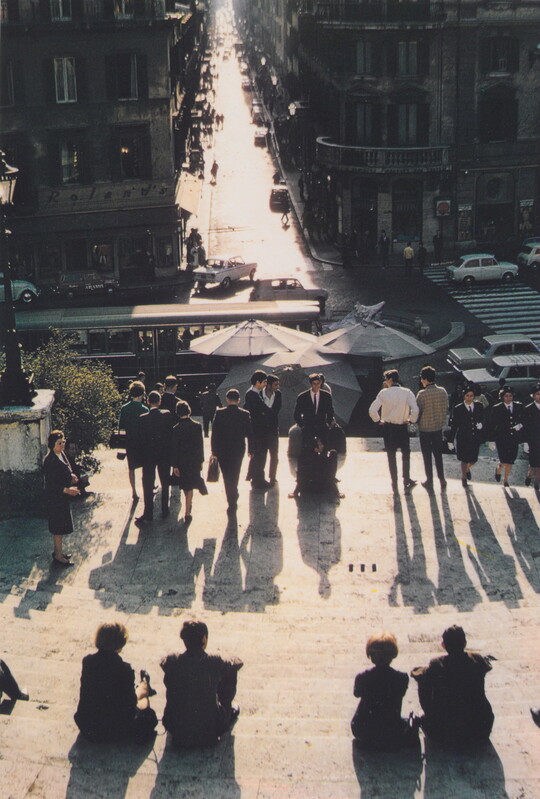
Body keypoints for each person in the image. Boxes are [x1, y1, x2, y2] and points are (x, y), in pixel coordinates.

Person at [160, 620, 243, 748]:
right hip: (209, 732)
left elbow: (163, 663)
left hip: (176, 729)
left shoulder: (172, 660)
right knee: (229, 673)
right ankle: (226, 709)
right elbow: (237, 663)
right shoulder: (214, 661)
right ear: (204, 639)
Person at [411, 625, 494, 749]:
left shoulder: (436, 664)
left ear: (443, 645)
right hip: (480, 731)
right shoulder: (477, 659)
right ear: (465, 643)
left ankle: (429, 717)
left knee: (423, 681)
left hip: (444, 734)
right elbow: (486, 666)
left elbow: (420, 675)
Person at [74, 622, 157, 744]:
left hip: (87, 726)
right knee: (148, 713)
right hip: (115, 729)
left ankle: (143, 686)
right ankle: (144, 686)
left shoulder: (88, 662)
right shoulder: (124, 669)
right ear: (120, 644)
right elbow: (131, 702)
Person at [351, 632, 415, 751]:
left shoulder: (362, 677)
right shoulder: (401, 678)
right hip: (391, 731)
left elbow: (356, 693)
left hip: (363, 730)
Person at [369, 370, 419, 493]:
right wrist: (411, 420)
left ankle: (394, 481)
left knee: (391, 455)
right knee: (405, 453)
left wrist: (378, 421)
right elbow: (415, 409)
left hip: (389, 428)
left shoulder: (384, 393)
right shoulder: (407, 392)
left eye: (386, 379)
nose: (385, 382)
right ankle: (406, 478)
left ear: (390, 380)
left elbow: (372, 410)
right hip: (402, 427)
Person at [211, 388, 253, 517]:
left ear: (227, 400)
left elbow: (215, 434)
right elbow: (250, 434)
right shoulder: (245, 414)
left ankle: (232, 499)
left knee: (226, 475)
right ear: (239, 400)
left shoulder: (219, 413)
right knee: (235, 473)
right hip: (238, 449)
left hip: (222, 449)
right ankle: (233, 494)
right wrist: (251, 449)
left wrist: (214, 452)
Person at [43, 430, 80, 566]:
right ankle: (58, 555)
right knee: (57, 527)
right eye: (59, 443)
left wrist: (71, 476)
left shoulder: (61, 454)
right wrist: (68, 491)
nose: (62, 445)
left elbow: (66, 468)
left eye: (63, 442)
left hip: (62, 498)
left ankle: (58, 551)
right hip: (55, 498)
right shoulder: (49, 460)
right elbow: (51, 484)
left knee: (61, 525)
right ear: (52, 444)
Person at [136, 390, 174, 522]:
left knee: (147, 483)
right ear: (160, 402)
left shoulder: (142, 418)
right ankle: (165, 509)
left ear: (148, 402)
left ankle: (148, 512)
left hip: (148, 455)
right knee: (165, 482)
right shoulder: (167, 415)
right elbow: (170, 436)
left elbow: (141, 440)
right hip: (164, 454)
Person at [171, 401, 206, 524]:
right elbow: (200, 445)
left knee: (185, 485)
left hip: (181, 461)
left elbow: (174, 448)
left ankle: (187, 505)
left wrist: (174, 465)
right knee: (190, 485)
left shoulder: (176, 429)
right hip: (194, 460)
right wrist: (201, 460)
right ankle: (187, 512)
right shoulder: (197, 426)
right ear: (189, 410)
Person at [416, 366, 448, 491]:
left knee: (427, 455)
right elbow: (445, 408)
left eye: (421, 378)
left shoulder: (421, 394)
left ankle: (429, 480)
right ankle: (442, 479)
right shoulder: (443, 391)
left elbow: (417, 412)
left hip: (425, 429)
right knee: (438, 455)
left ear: (425, 379)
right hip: (438, 428)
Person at [487, 385, 523, 486]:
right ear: (502, 397)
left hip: (514, 438)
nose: (508, 398)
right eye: (506, 396)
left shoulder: (519, 406)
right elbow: (491, 424)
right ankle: (499, 468)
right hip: (502, 438)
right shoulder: (497, 408)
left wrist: (520, 425)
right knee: (504, 460)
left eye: (510, 396)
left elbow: (524, 419)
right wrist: (491, 440)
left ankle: (506, 479)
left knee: (511, 460)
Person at [449, 385, 484, 487]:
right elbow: (454, 425)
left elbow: (482, 418)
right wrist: (450, 440)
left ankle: (467, 469)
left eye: (471, 396)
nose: (469, 398)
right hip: (463, 438)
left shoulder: (479, 406)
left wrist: (481, 424)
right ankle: (463, 477)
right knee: (464, 459)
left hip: (474, 437)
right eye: (467, 395)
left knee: (473, 459)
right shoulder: (458, 408)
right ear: (464, 396)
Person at [118, 381, 149, 501]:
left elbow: (121, 427)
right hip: (143, 443)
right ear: (142, 394)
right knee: (145, 468)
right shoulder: (144, 409)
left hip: (130, 442)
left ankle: (134, 491)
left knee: (131, 468)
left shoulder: (124, 408)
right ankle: (147, 489)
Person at [289, 437, 344, 502]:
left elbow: (301, 476)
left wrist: (295, 492)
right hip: (321, 488)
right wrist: (337, 493)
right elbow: (329, 476)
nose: (322, 446)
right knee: (333, 453)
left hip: (306, 489)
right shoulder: (321, 460)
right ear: (315, 449)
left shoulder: (304, 458)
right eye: (320, 445)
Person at [244, 370, 271, 490]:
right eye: (264, 382)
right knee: (259, 456)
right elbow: (261, 411)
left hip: (259, 430)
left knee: (259, 455)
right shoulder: (252, 395)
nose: (265, 384)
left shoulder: (256, 394)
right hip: (257, 431)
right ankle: (258, 480)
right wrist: (267, 413)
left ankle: (257, 478)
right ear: (258, 382)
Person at [294, 373, 335, 446]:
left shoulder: (326, 396)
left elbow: (330, 411)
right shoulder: (302, 397)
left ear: (321, 383)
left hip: (322, 427)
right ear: (310, 384)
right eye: (314, 384)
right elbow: (297, 414)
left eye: (318, 383)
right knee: (308, 449)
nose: (316, 386)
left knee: (324, 449)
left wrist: (327, 424)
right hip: (308, 428)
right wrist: (302, 426)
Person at [263, 374, 281, 486]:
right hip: (262, 430)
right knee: (262, 454)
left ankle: (272, 476)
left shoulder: (278, 394)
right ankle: (260, 476)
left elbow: (277, 410)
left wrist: (265, 413)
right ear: (268, 385)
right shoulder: (260, 394)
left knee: (274, 455)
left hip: (273, 429)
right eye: (275, 385)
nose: (277, 387)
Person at [523, 383, 540, 491]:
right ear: (533, 396)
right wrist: (526, 442)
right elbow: (526, 427)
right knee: (534, 462)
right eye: (538, 394)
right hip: (533, 440)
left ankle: (537, 482)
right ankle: (529, 474)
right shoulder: (528, 409)